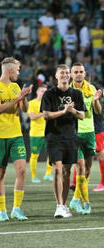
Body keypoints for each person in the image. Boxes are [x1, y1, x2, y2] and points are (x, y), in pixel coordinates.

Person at [41, 64, 85, 218]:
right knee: (58, 169)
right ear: (56, 76)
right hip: (54, 136)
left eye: (67, 72)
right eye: (62, 73)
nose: (65, 75)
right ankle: (59, 205)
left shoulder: (77, 94)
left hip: (71, 137)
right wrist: (64, 111)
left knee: (67, 172)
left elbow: (82, 115)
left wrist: (72, 111)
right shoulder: (49, 94)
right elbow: (46, 115)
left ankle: (64, 205)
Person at [0, 57, 32, 221]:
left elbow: (24, 109)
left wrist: (24, 97)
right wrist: (17, 98)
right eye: (18, 70)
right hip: (0, 136)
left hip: (16, 135)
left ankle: (16, 209)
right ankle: (2, 210)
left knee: (22, 170)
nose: (19, 73)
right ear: (10, 70)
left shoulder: (15, 87)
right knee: (1, 175)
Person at [69, 62, 102, 214]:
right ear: (71, 74)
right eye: (75, 72)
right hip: (74, 133)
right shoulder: (67, 91)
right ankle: (85, 203)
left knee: (88, 169)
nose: (78, 74)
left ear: (85, 73)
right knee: (80, 168)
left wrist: (96, 101)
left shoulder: (91, 88)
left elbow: (98, 111)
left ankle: (75, 199)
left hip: (89, 133)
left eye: (81, 71)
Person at [28, 84, 53, 183]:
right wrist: (44, 113)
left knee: (51, 154)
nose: (44, 93)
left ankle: (48, 174)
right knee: (34, 156)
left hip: (48, 133)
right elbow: (32, 117)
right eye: (42, 91)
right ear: (37, 92)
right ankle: (34, 176)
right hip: (35, 134)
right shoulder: (32, 103)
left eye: (45, 91)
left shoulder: (49, 103)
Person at [92, 105, 104, 192]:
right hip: (84, 129)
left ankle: (103, 183)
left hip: (97, 128)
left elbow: (99, 110)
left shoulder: (97, 92)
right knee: (81, 155)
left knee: (100, 155)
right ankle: (75, 181)